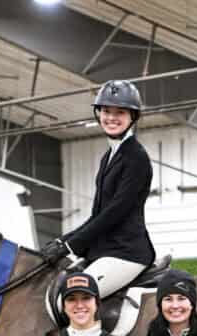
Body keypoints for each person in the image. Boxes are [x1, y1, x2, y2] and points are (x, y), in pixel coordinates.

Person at [41, 79, 156, 299]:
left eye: (120, 112)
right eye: (106, 111)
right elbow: (98, 215)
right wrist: (62, 241)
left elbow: (114, 214)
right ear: (98, 114)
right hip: (105, 251)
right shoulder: (109, 156)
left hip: (126, 253)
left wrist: (70, 246)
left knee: (76, 298)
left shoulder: (136, 158)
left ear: (133, 116)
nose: (111, 117)